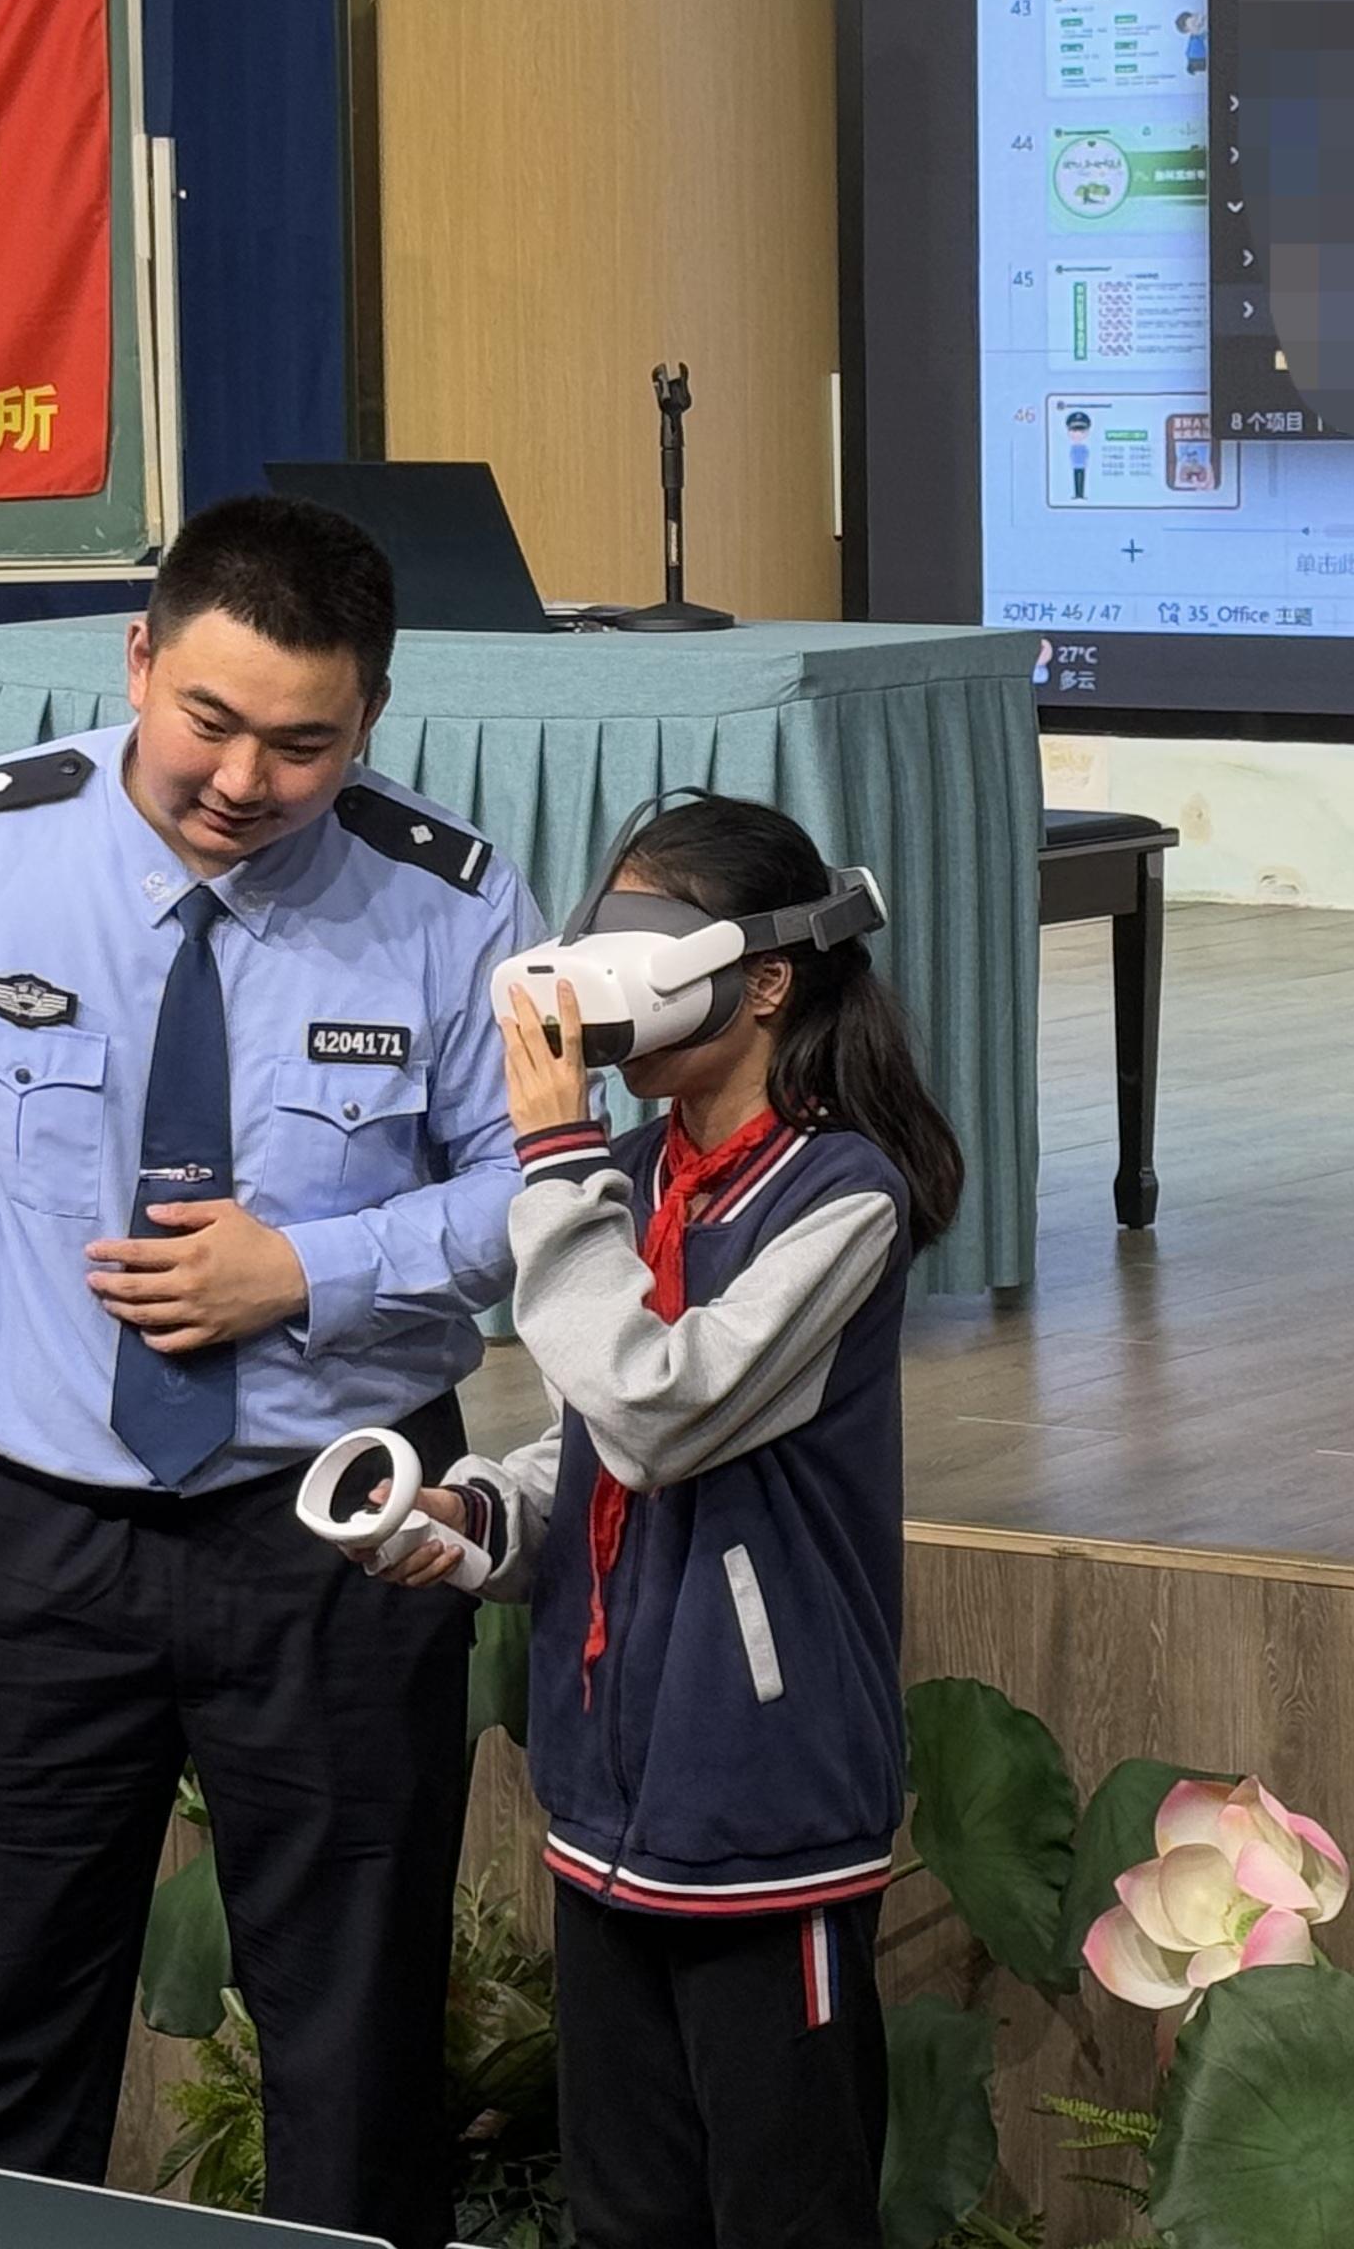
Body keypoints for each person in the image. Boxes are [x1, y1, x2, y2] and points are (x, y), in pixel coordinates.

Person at [0, 493, 537, 2249]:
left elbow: (540, 1192)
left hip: (340, 1535)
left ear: (370, 718)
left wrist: (310, 1269)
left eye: (304, 745)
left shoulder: (446, 899)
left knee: (354, 2054)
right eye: (210, 720)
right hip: (37, 1536)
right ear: (138, 662)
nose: (244, 781)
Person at [354, 795, 965, 2249]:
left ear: (764, 982)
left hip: (765, 1806)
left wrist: (555, 1158)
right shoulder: (624, 1180)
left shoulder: (842, 1196)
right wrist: (478, 1514)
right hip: (611, 1815)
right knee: (625, 2217)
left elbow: (658, 1407)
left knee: (786, 2218)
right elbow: (595, 1447)